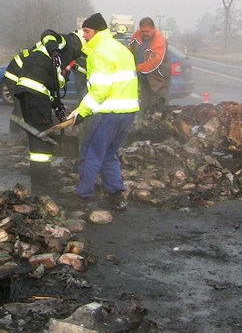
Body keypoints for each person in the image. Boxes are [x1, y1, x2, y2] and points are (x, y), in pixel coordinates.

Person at [65, 13, 139, 210]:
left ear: (97, 31)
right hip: (128, 113)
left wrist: (80, 112)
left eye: (87, 31)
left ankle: (83, 196)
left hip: (109, 113)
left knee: (90, 153)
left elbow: (99, 90)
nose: (85, 36)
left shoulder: (99, 52)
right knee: (108, 154)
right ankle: (116, 194)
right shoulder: (122, 50)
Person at [11, 29, 85, 192]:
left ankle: (39, 178)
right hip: (35, 93)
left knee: (38, 134)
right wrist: (54, 51)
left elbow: (51, 86)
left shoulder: (62, 62)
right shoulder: (66, 42)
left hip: (32, 93)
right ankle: (40, 181)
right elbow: (47, 33)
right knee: (42, 137)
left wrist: (57, 106)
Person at [128, 17, 170, 110]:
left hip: (158, 80)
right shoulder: (137, 35)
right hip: (143, 78)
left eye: (147, 31)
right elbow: (129, 50)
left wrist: (135, 68)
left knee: (158, 110)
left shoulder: (159, 41)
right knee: (145, 107)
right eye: (143, 31)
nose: (145, 34)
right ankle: (144, 122)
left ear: (153, 29)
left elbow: (153, 63)